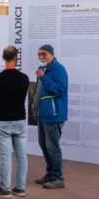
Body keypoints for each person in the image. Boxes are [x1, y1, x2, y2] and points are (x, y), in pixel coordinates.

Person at [0, 45, 29, 198]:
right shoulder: (24, 78)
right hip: (20, 120)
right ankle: (20, 188)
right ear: (16, 58)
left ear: (3, 58)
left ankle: (5, 188)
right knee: (21, 156)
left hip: (3, 121)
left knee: (5, 157)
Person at [33, 44, 68, 190]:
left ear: (51, 54)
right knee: (43, 144)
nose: (41, 57)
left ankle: (58, 178)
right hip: (43, 115)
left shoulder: (59, 69)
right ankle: (50, 174)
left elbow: (60, 90)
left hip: (54, 115)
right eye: (39, 54)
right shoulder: (44, 69)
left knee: (53, 147)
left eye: (44, 54)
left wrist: (44, 78)